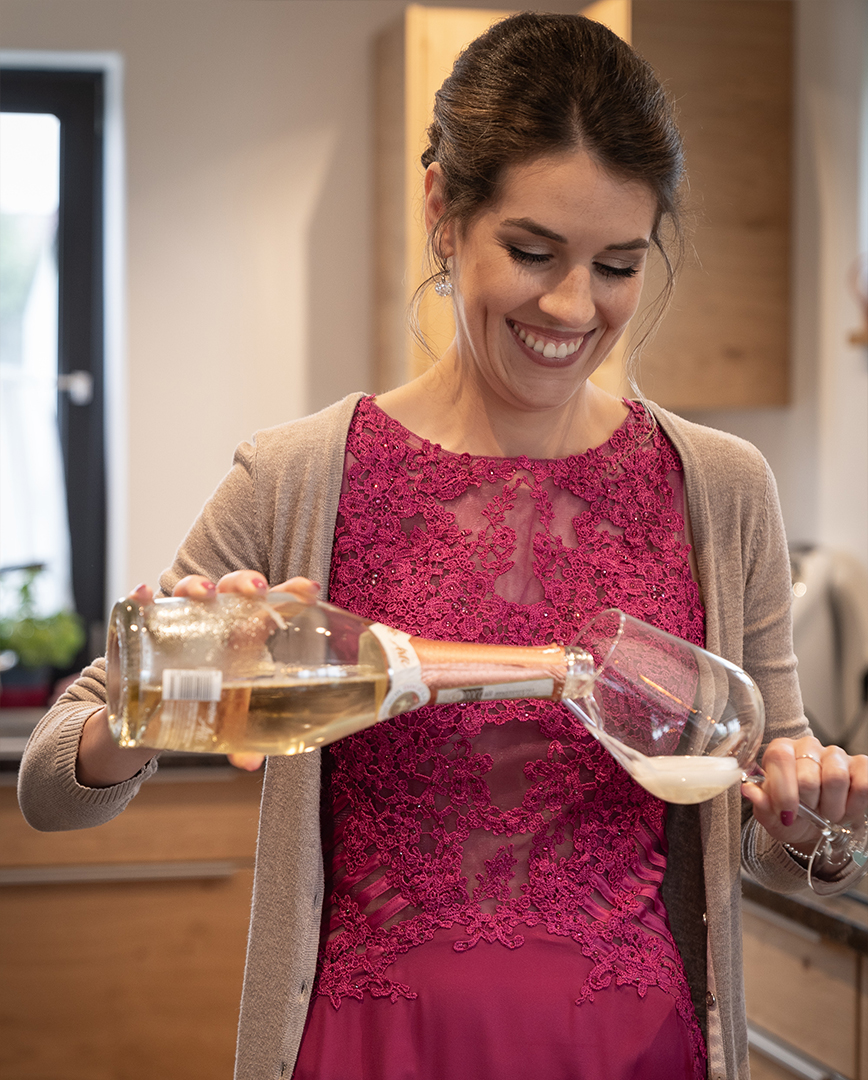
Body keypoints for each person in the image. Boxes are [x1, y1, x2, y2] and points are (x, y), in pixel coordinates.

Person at [18, 12, 868, 1080]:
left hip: (635, 1046)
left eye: (616, 263)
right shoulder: (298, 475)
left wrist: (812, 817)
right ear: (441, 211)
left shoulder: (721, 489)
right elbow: (53, 780)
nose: (573, 305)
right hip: (374, 1045)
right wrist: (162, 701)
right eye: (530, 251)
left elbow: (774, 822)